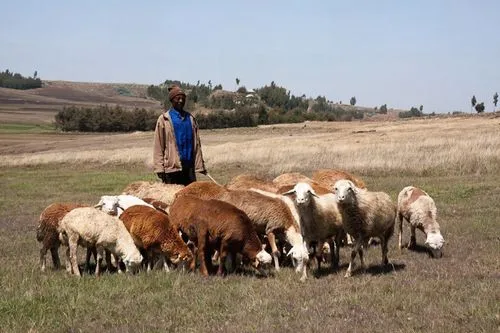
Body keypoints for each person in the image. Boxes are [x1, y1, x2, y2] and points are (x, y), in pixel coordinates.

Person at [153, 85, 207, 185]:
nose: (181, 101)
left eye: (183, 98)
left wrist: (200, 165)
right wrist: (159, 168)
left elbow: (196, 145)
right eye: (178, 98)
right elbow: (158, 145)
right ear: (172, 100)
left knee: (190, 198)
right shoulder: (164, 119)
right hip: (172, 169)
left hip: (189, 168)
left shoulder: (190, 118)